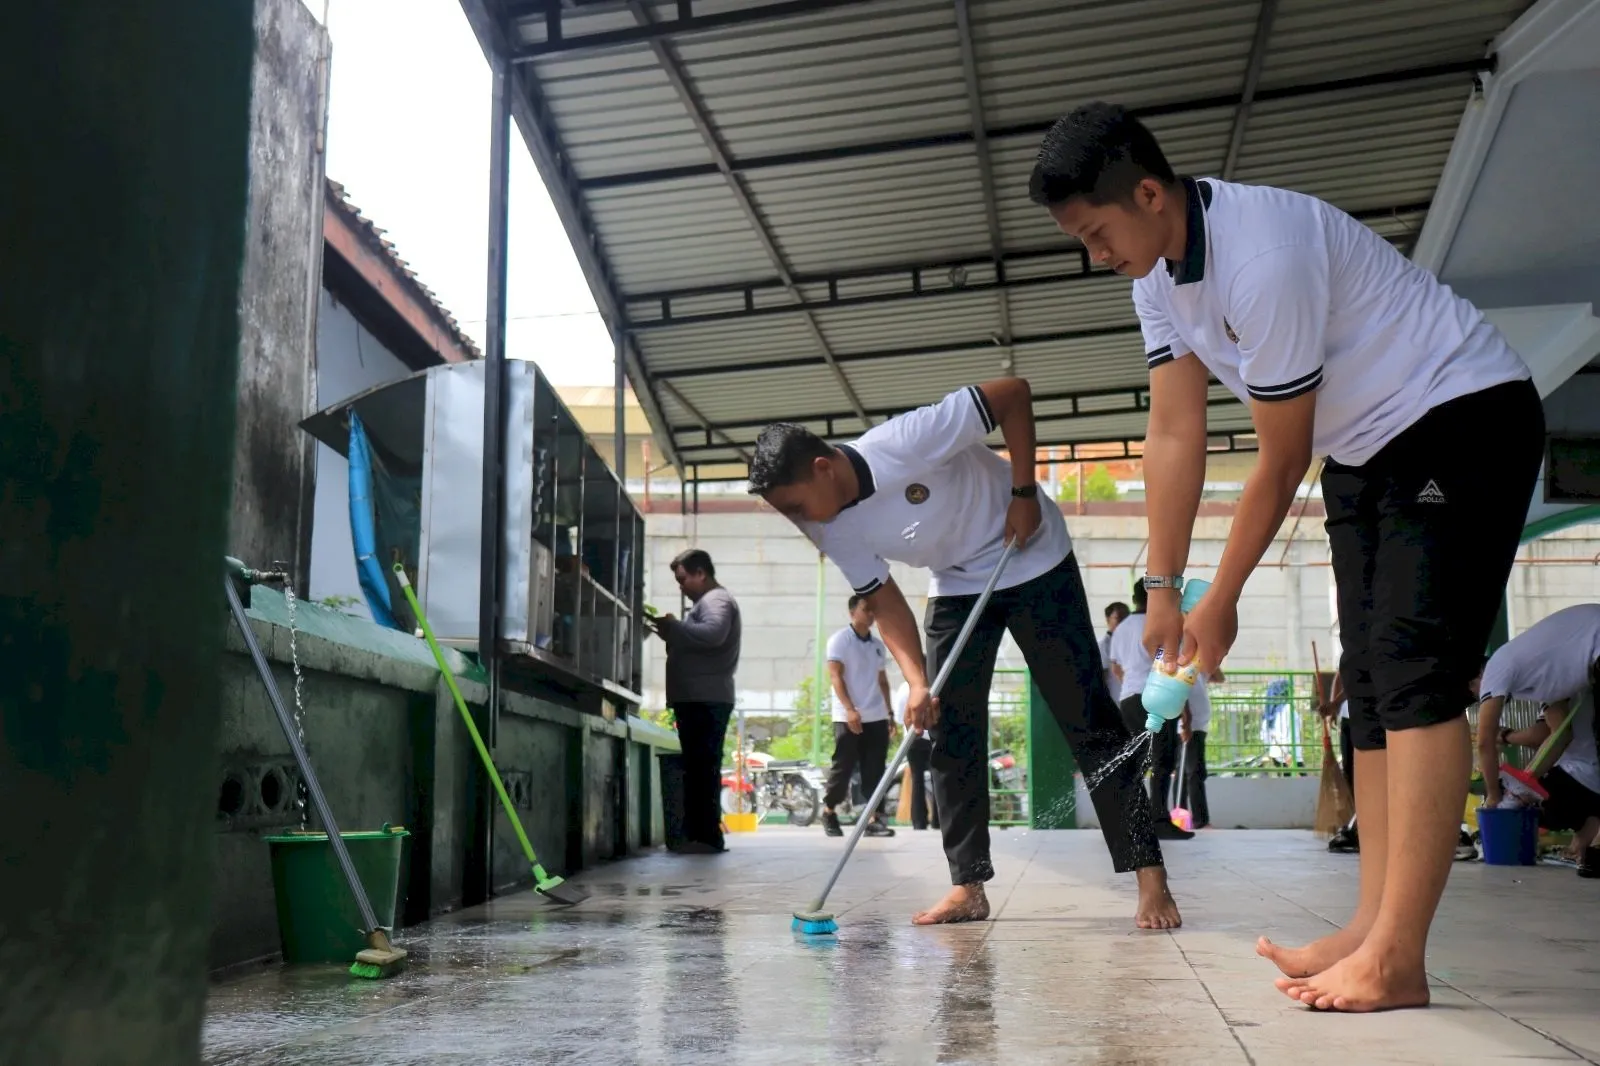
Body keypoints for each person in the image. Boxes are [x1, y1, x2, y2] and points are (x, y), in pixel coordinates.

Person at [1030, 103, 1543, 1011]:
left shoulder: (1261, 255)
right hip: (1366, 446)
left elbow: (1279, 455)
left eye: (1097, 232)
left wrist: (1220, 597)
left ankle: (1399, 956)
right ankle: (1370, 926)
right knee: (1370, 684)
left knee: (1417, 672)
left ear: (1148, 194)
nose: (1095, 254)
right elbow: (1173, 432)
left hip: (1459, 416)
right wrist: (1162, 589)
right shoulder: (1157, 279)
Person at [747, 377, 1179, 929]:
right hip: (955, 583)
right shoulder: (828, 527)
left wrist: (1023, 493)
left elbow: (1014, 394)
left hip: (1035, 555)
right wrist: (917, 681)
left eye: (796, 505)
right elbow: (883, 598)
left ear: (822, 468)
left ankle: (1150, 876)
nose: (799, 520)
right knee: (948, 728)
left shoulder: (906, 440)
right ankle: (967, 886)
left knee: (1088, 719)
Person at [1473, 604, 1600, 875]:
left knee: (1548, 801)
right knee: (1540, 795)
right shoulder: (1546, 676)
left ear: (1477, 677)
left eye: (1475, 691)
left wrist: (1494, 796)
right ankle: (1590, 840)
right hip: (1592, 649)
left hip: (1596, 639)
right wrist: (1525, 782)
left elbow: (1484, 741)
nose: (1479, 698)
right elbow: (1560, 734)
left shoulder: (1497, 666)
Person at [648, 549, 742, 855]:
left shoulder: (717, 601)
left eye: (683, 579)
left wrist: (675, 628)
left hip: (705, 698)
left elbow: (713, 634)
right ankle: (700, 835)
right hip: (698, 697)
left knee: (703, 768)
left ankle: (706, 837)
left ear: (701, 573)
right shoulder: (708, 602)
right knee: (699, 767)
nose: (681, 586)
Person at [1109, 579, 1193, 839]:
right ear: (1154, 595)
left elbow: (1115, 667)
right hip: (1158, 697)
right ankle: (1158, 820)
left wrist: (1133, 686)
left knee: (1136, 761)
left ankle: (1134, 821)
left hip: (1129, 699)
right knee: (1162, 760)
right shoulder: (1162, 623)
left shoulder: (1121, 627)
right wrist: (1185, 710)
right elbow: (1172, 666)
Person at [822, 594, 896, 838]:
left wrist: (889, 713)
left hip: (876, 715)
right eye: (866, 609)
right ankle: (829, 811)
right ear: (852, 612)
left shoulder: (877, 645)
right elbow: (835, 677)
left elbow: (882, 681)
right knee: (843, 768)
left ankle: (875, 819)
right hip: (848, 716)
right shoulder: (839, 641)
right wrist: (850, 709)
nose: (871, 614)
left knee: (875, 770)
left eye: (874, 609)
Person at [1318, 671, 1359, 853]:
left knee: (1362, 773)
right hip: (1348, 718)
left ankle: (1360, 824)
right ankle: (1354, 822)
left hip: (1365, 715)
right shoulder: (1347, 658)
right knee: (1349, 772)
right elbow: (1341, 673)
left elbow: (1355, 680)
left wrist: (1335, 703)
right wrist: (1335, 705)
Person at [1177, 669, 1219, 830]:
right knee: (1195, 772)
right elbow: (1180, 695)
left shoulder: (1199, 667)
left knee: (1186, 772)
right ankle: (1200, 820)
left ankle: (1185, 817)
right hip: (1190, 727)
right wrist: (1186, 724)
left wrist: (1212, 661)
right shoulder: (1184, 666)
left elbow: (1219, 677)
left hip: (1198, 726)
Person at [894, 680, 939, 831]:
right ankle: (938, 820)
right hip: (932, 736)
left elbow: (899, 717)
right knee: (937, 777)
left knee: (917, 779)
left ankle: (919, 821)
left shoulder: (903, 688)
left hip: (912, 737)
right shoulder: (933, 683)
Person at [1101, 601, 1130, 703]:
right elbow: (1103, 675)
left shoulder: (1133, 641)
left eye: (1126, 617)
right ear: (1108, 619)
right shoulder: (1104, 645)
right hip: (1115, 698)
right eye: (1119, 618)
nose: (1124, 622)